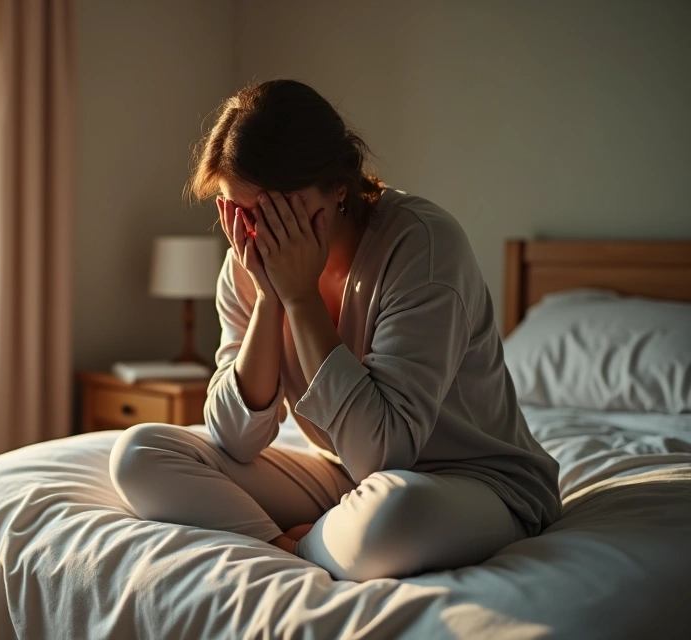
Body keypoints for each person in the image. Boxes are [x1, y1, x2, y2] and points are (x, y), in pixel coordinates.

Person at [108, 79, 561, 582]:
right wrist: (269, 298)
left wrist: (302, 299)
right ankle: (292, 546)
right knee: (140, 454)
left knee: (395, 513)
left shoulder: (423, 247)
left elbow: (384, 453)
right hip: (343, 474)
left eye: (272, 211)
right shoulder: (247, 264)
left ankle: (314, 541)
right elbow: (234, 440)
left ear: (337, 188)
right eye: (236, 209)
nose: (255, 232)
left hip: (476, 483)